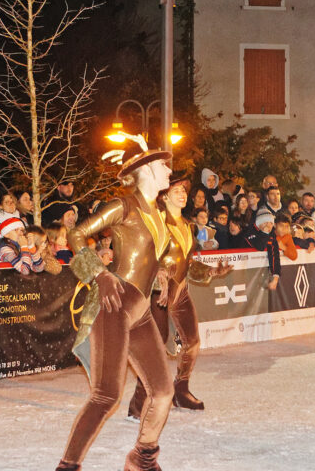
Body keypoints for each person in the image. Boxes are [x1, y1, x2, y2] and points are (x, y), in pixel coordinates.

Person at [55, 145, 175, 471]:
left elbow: (151, 258)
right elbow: (76, 234)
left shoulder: (158, 214)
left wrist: (161, 273)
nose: (169, 171)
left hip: (141, 308)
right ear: (146, 169)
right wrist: (99, 273)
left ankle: (142, 460)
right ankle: (67, 467)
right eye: (164, 166)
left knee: (163, 391)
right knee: (106, 395)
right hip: (115, 304)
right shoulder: (125, 205)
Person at [127, 176, 232, 420]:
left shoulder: (187, 225)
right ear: (164, 196)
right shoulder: (157, 223)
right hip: (158, 291)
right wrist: (157, 275)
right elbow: (144, 256)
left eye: (184, 190)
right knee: (155, 347)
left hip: (180, 291)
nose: (183, 194)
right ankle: (137, 404)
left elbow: (188, 262)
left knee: (192, 341)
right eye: (176, 190)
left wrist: (212, 271)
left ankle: (181, 390)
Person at [245, 209, 280, 290]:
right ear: (259, 223)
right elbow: (260, 246)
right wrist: (264, 234)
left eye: (271, 223)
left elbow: (275, 255)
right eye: (266, 222)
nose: (268, 226)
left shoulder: (271, 234)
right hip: (244, 270)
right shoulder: (249, 231)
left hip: (259, 272)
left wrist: (275, 277)